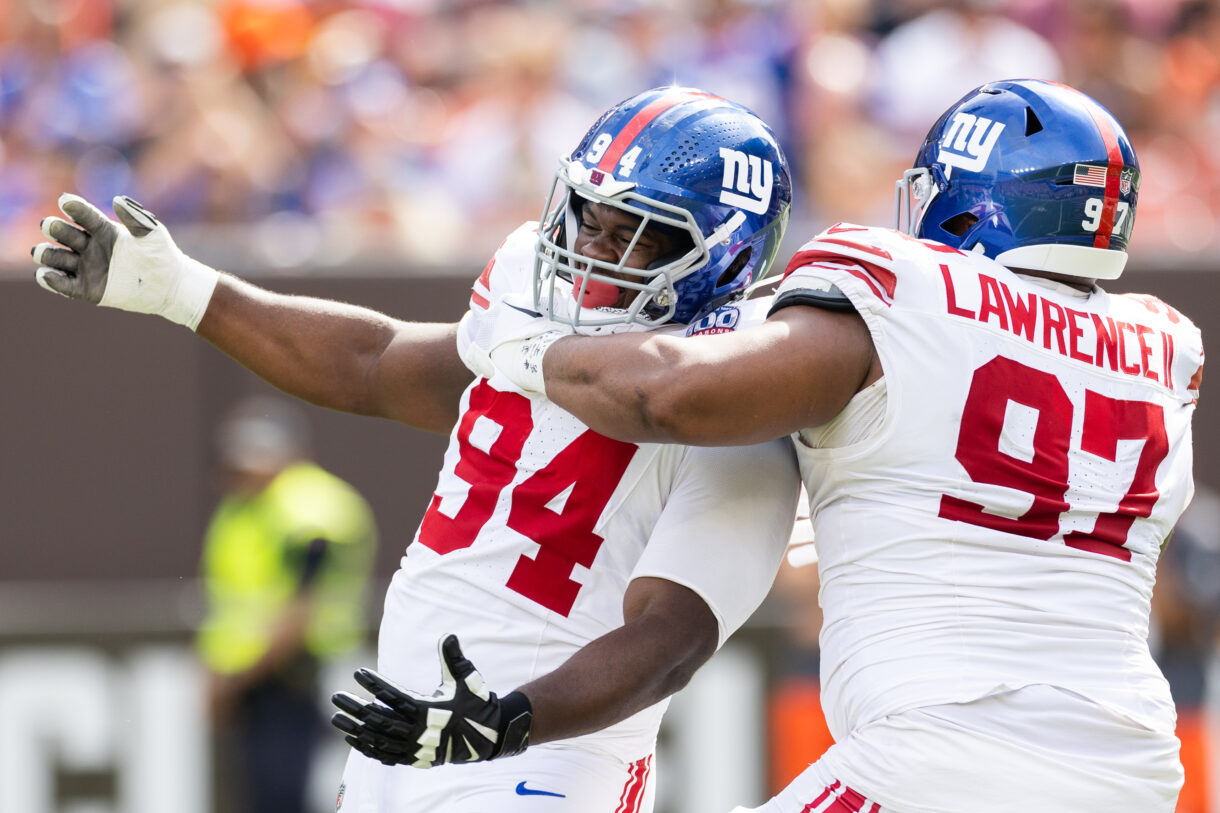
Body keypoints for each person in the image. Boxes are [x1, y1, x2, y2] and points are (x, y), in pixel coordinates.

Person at [30, 87, 801, 811]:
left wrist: (508, 719)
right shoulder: (535, 296)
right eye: (590, 216)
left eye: (634, 234)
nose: (591, 250)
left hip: (548, 754)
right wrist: (184, 290)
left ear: (723, 257)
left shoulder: (738, 402)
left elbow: (671, 637)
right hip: (404, 728)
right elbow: (378, 364)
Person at [464, 79, 1205, 812]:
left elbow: (667, 395)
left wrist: (526, 347)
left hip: (941, 746)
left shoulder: (910, 288)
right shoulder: (1164, 349)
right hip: (1133, 763)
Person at [198, 395, 377, 813]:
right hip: (258, 682)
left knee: (304, 796)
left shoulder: (310, 505)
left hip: (305, 678)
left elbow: (301, 608)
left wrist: (232, 677)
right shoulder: (243, 509)